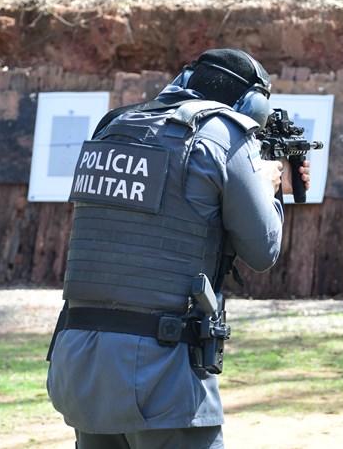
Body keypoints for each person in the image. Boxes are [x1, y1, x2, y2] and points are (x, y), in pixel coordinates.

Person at [46, 48, 309, 449]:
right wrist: (271, 189)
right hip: (160, 371)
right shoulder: (224, 133)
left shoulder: (113, 126)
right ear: (252, 104)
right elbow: (263, 250)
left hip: (77, 361)